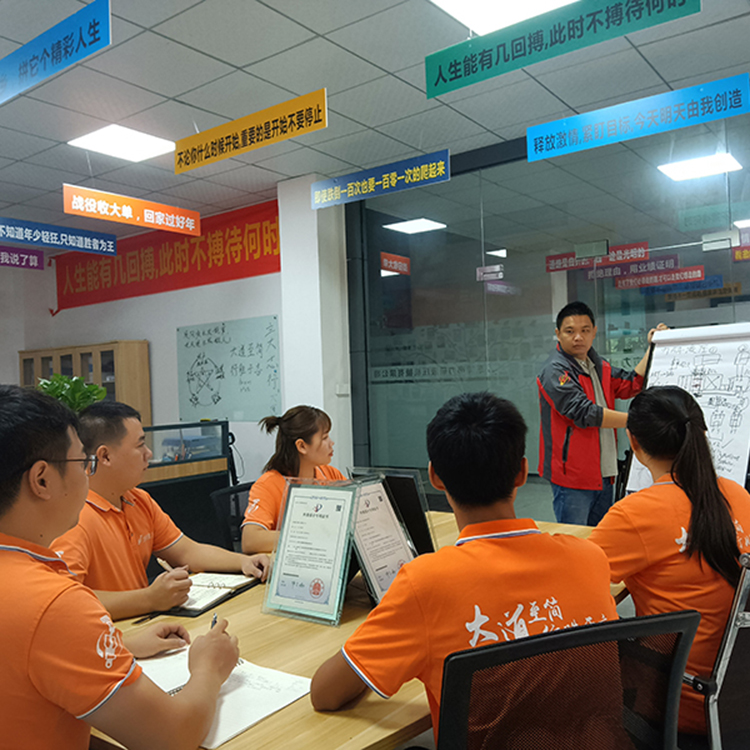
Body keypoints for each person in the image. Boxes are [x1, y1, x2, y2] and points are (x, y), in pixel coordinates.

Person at [310, 392, 617, 742]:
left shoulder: (426, 583)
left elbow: (325, 693)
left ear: (435, 477)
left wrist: (388, 655)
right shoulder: (590, 558)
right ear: (522, 472)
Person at [0, 385, 240, 750]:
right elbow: (172, 737)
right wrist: (209, 667)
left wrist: (120, 644)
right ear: (42, 480)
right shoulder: (54, 603)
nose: (88, 474)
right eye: (82, 463)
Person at [589, 386, 750, 743]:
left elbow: (572, 579)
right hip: (738, 699)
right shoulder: (738, 495)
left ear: (634, 440)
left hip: (680, 703)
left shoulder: (637, 514)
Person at [52, 401, 270, 621]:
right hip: (109, 633)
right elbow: (64, 601)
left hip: (145, 624)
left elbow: (187, 552)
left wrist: (243, 562)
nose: (148, 453)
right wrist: (149, 598)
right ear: (105, 456)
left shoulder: (138, 500)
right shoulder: (73, 518)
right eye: (140, 445)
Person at [538, 300, 667, 525]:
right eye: (570, 331)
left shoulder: (599, 366)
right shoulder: (555, 371)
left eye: (585, 330)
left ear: (594, 332)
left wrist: (653, 346)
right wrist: (637, 421)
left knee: (600, 537)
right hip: (572, 478)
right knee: (575, 539)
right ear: (558, 334)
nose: (578, 337)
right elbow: (584, 413)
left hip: (605, 473)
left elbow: (630, 383)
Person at [241, 405, 345, 553]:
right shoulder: (269, 484)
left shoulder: (330, 474)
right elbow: (250, 541)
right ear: (302, 446)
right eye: (324, 438)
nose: (331, 443)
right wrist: (311, 535)